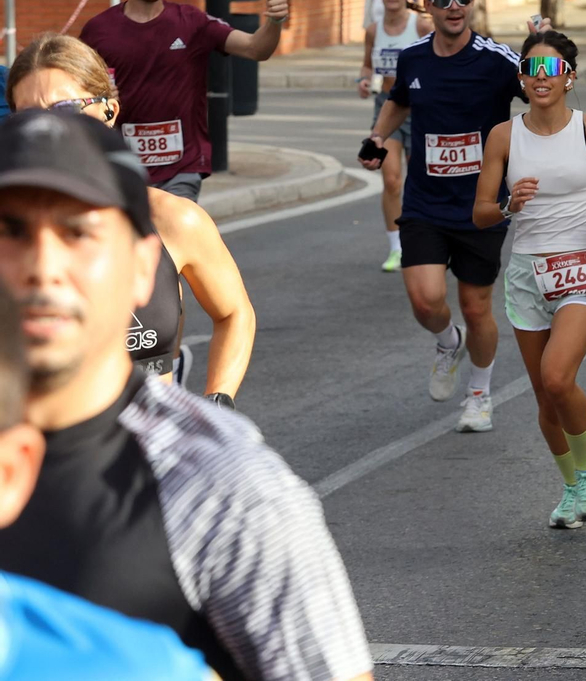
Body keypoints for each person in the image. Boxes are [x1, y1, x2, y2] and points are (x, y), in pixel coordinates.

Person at [0, 110, 373, 681]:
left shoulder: (229, 489)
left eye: (79, 232)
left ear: (142, 268)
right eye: (11, 230)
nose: (44, 267)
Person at [5, 33, 255, 403]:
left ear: (109, 111)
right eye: (30, 116)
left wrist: (219, 402)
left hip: (153, 450)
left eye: (65, 109)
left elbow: (235, 313)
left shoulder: (173, 220)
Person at [0, 284, 219, 681]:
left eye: (78, 234)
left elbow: (234, 312)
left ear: (9, 474)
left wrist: (218, 399)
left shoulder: (138, 668)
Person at [472, 30, 586, 524]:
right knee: (545, 397)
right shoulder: (504, 136)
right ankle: (572, 488)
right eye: (530, 69)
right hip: (526, 274)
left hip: (578, 268)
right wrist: (508, 205)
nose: (539, 78)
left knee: (557, 376)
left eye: (550, 70)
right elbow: (481, 212)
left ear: (569, 78)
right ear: (521, 79)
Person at [364, 0, 524, 431]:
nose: (454, 8)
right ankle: (445, 341)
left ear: (472, 2)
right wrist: (376, 138)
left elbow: (546, 85)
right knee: (424, 299)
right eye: (443, 0)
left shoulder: (497, 59)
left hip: (482, 205)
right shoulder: (413, 58)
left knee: (477, 306)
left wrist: (544, 46)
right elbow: (398, 102)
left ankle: (479, 394)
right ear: (428, 6)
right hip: (426, 202)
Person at [79, 0, 289, 202]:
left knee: (169, 241)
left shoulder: (193, 22)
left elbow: (255, 49)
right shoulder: (98, 31)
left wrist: (274, 21)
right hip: (119, 171)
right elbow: (74, 93)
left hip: (182, 169)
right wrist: (97, 100)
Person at [358, 0, 432, 272]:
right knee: (391, 180)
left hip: (418, 110)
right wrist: (363, 81)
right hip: (385, 109)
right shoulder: (373, 30)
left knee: (421, 181)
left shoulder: (421, 26)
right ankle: (396, 248)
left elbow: (436, 63)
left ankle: (426, 241)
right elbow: (366, 67)